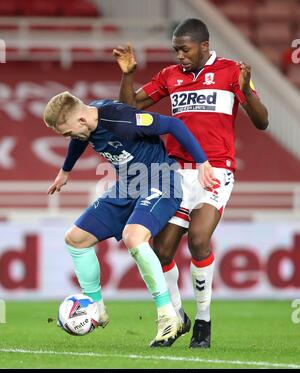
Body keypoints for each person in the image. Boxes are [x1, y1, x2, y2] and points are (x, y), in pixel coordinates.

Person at [113, 18, 269, 348]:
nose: (180, 56)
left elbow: (262, 120)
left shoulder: (231, 71)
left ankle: (203, 321)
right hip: (176, 173)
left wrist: (247, 87)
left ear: (204, 46)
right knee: (161, 249)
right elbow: (130, 110)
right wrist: (128, 75)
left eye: (184, 50)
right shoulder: (170, 76)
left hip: (215, 170)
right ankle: (178, 316)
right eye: (175, 50)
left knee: (198, 240)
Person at [44, 91, 216, 347]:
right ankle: (96, 308)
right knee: (75, 239)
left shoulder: (122, 119)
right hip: (128, 187)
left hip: (162, 182)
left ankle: (168, 316)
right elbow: (80, 140)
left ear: (80, 119)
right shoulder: (86, 124)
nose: (68, 138)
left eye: (67, 132)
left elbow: (172, 124)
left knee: (133, 237)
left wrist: (202, 162)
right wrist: (65, 170)